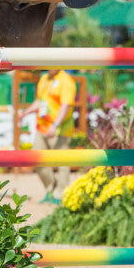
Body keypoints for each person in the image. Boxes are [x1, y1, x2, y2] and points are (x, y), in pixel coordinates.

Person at [19, 69, 78, 204]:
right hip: (42, 127)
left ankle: (59, 194)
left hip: (60, 129)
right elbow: (41, 101)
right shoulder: (44, 78)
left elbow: (66, 105)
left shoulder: (66, 80)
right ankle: (51, 188)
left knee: (62, 162)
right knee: (35, 159)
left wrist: (55, 125)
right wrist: (26, 112)